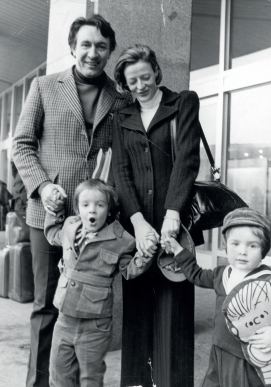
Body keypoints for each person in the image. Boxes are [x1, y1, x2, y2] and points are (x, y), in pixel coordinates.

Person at [12, 14, 131, 387]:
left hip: (97, 219)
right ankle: (38, 383)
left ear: (109, 51)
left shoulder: (121, 97)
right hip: (48, 214)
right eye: (86, 44)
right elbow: (21, 144)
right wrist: (43, 186)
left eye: (100, 46)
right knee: (47, 305)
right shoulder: (45, 86)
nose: (92, 53)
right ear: (72, 47)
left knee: (87, 307)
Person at [112, 44, 203, 387]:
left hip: (173, 228)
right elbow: (121, 172)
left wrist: (172, 214)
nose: (140, 86)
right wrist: (136, 221)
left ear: (157, 72)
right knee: (136, 317)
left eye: (145, 77)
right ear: (124, 82)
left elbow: (187, 161)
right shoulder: (122, 117)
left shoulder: (183, 102)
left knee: (173, 314)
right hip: (136, 230)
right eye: (132, 80)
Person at [44, 178, 153, 387]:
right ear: (77, 208)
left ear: (109, 210)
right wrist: (54, 212)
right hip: (64, 318)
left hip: (94, 323)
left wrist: (145, 255)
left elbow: (129, 271)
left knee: (90, 378)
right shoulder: (70, 226)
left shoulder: (122, 239)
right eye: (85, 205)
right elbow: (52, 235)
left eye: (99, 205)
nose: (92, 210)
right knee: (58, 375)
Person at [166, 207, 271, 387]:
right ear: (225, 246)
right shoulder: (221, 274)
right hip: (219, 348)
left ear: (263, 250)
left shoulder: (270, 282)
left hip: (247, 356)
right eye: (235, 244)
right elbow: (195, 274)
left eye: (252, 245)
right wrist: (178, 250)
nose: (242, 251)